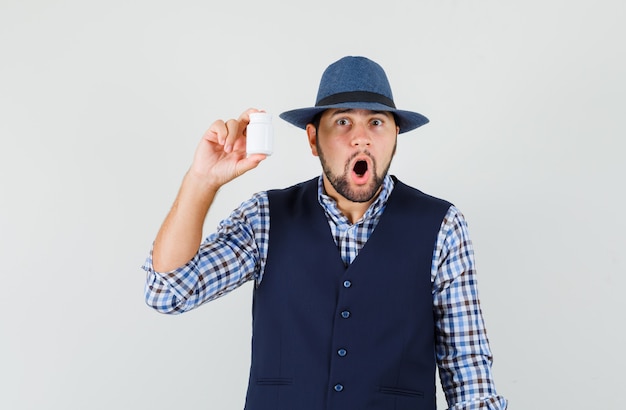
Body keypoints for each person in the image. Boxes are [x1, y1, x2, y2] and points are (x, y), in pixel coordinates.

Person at [142, 56, 507, 410]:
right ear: (313, 139)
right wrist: (202, 181)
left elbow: (469, 376)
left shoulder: (442, 226)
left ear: (395, 135)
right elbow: (169, 292)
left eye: (377, 122)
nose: (361, 139)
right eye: (343, 122)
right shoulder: (265, 218)